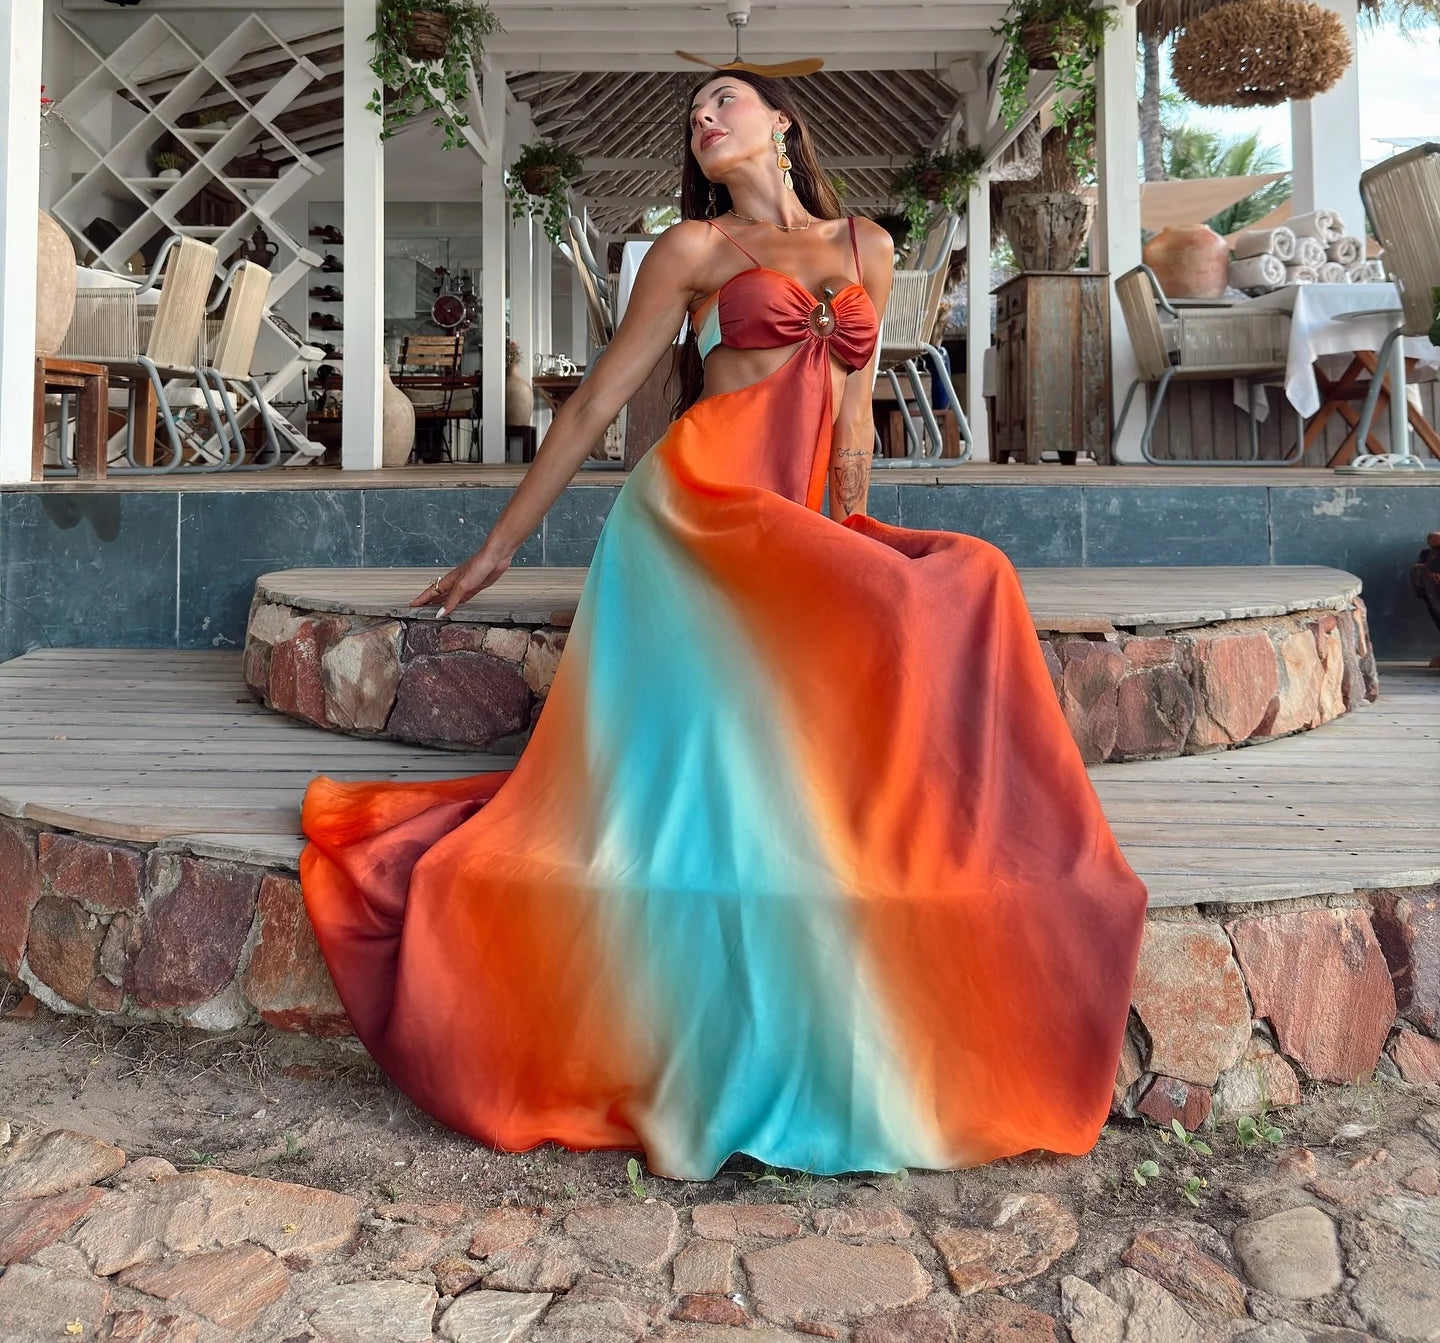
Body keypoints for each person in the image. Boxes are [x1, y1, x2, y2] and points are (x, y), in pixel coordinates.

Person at [300, 68, 1148, 1182]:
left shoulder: (867, 244)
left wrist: (851, 537)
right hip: (695, 508)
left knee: (970, 573)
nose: (705, 119)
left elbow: (852, 419)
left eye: (725, 101)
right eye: (693, 114)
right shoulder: (688, 255)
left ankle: (957, 835)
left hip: (791, 515)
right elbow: (602, 397)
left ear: (784, 122)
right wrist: (502, 543)